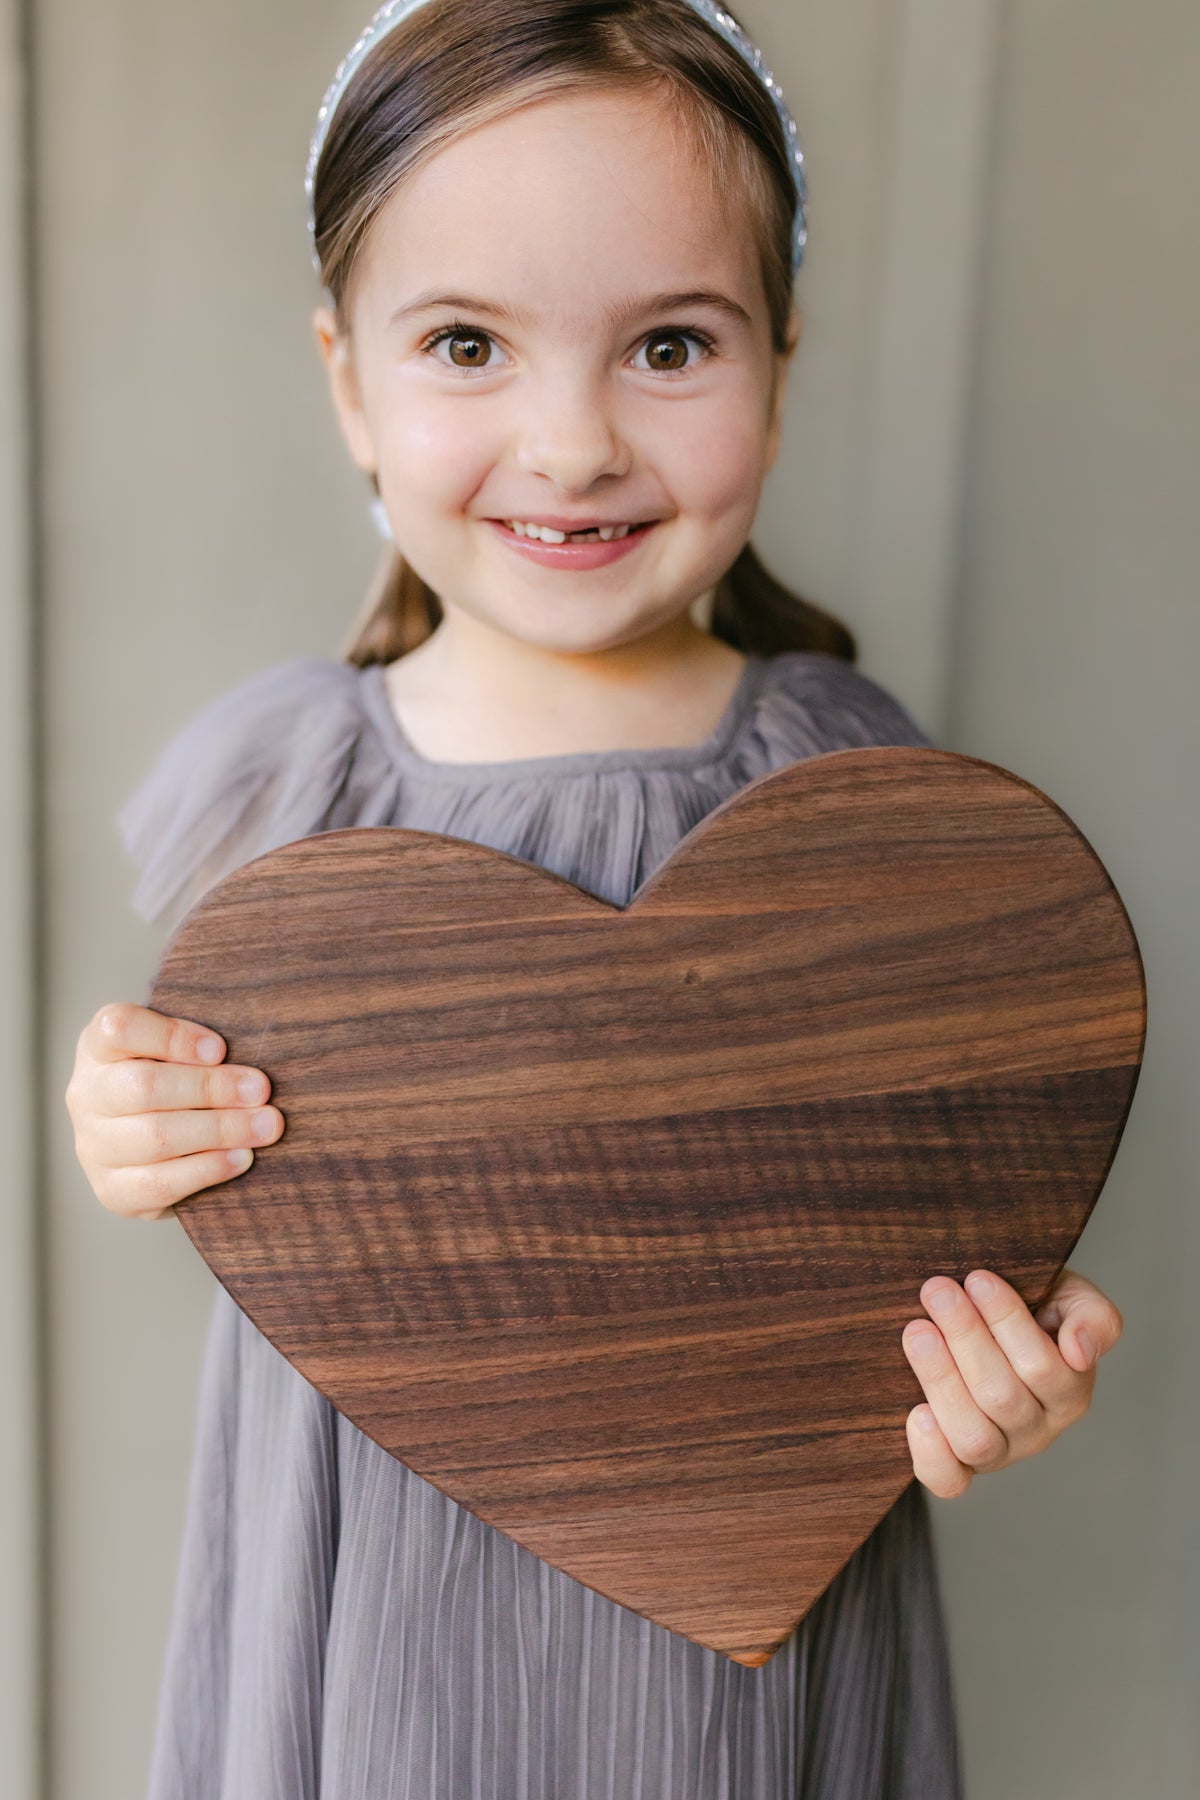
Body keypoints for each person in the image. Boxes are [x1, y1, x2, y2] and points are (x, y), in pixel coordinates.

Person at [64, 2, 1124, 1794]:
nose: (569, 444)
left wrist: (1013, 1351)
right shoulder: (302, 783)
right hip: (370, 1602)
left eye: (671, 345)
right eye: (467, 342)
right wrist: (128, 1120)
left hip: (740, 1597)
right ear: (348, 382)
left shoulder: (850, 801)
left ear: (781, 359)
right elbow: (208, 1099)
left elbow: (932, 1197)